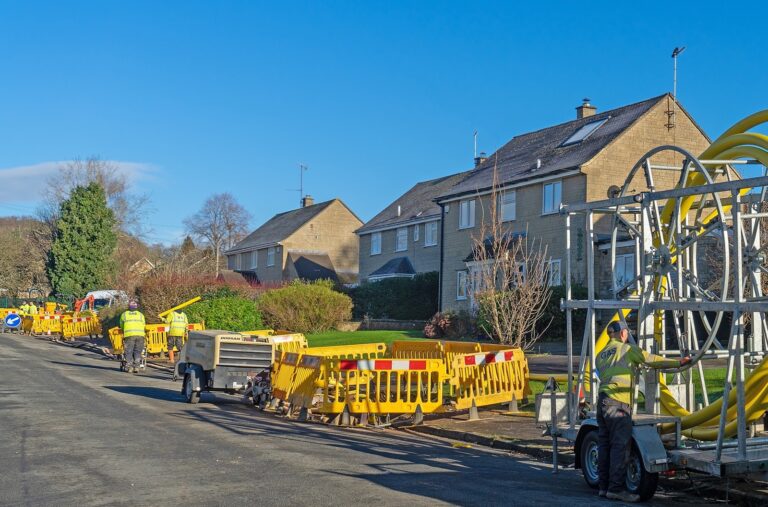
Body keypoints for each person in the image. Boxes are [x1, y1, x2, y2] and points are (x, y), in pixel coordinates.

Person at [595, 320, 691, 502]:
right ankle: (615, 489)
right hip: (618, 404)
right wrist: (679, 362)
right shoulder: (629, 350)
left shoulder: (600, 355)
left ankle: (603, 487)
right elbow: (652, 360)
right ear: (623, 334)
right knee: (620, 447)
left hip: (602, 402)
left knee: (604, 445)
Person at [119, 300, 146, 373]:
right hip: (140, 335)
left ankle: (130, 367)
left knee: (129, 351)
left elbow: (121, 325)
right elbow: (143, 325)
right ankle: (137, 367)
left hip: (129, 335)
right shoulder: (141, 315)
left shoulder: (124, 314)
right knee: (137, 351)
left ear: (129, 307)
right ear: (136, 307)